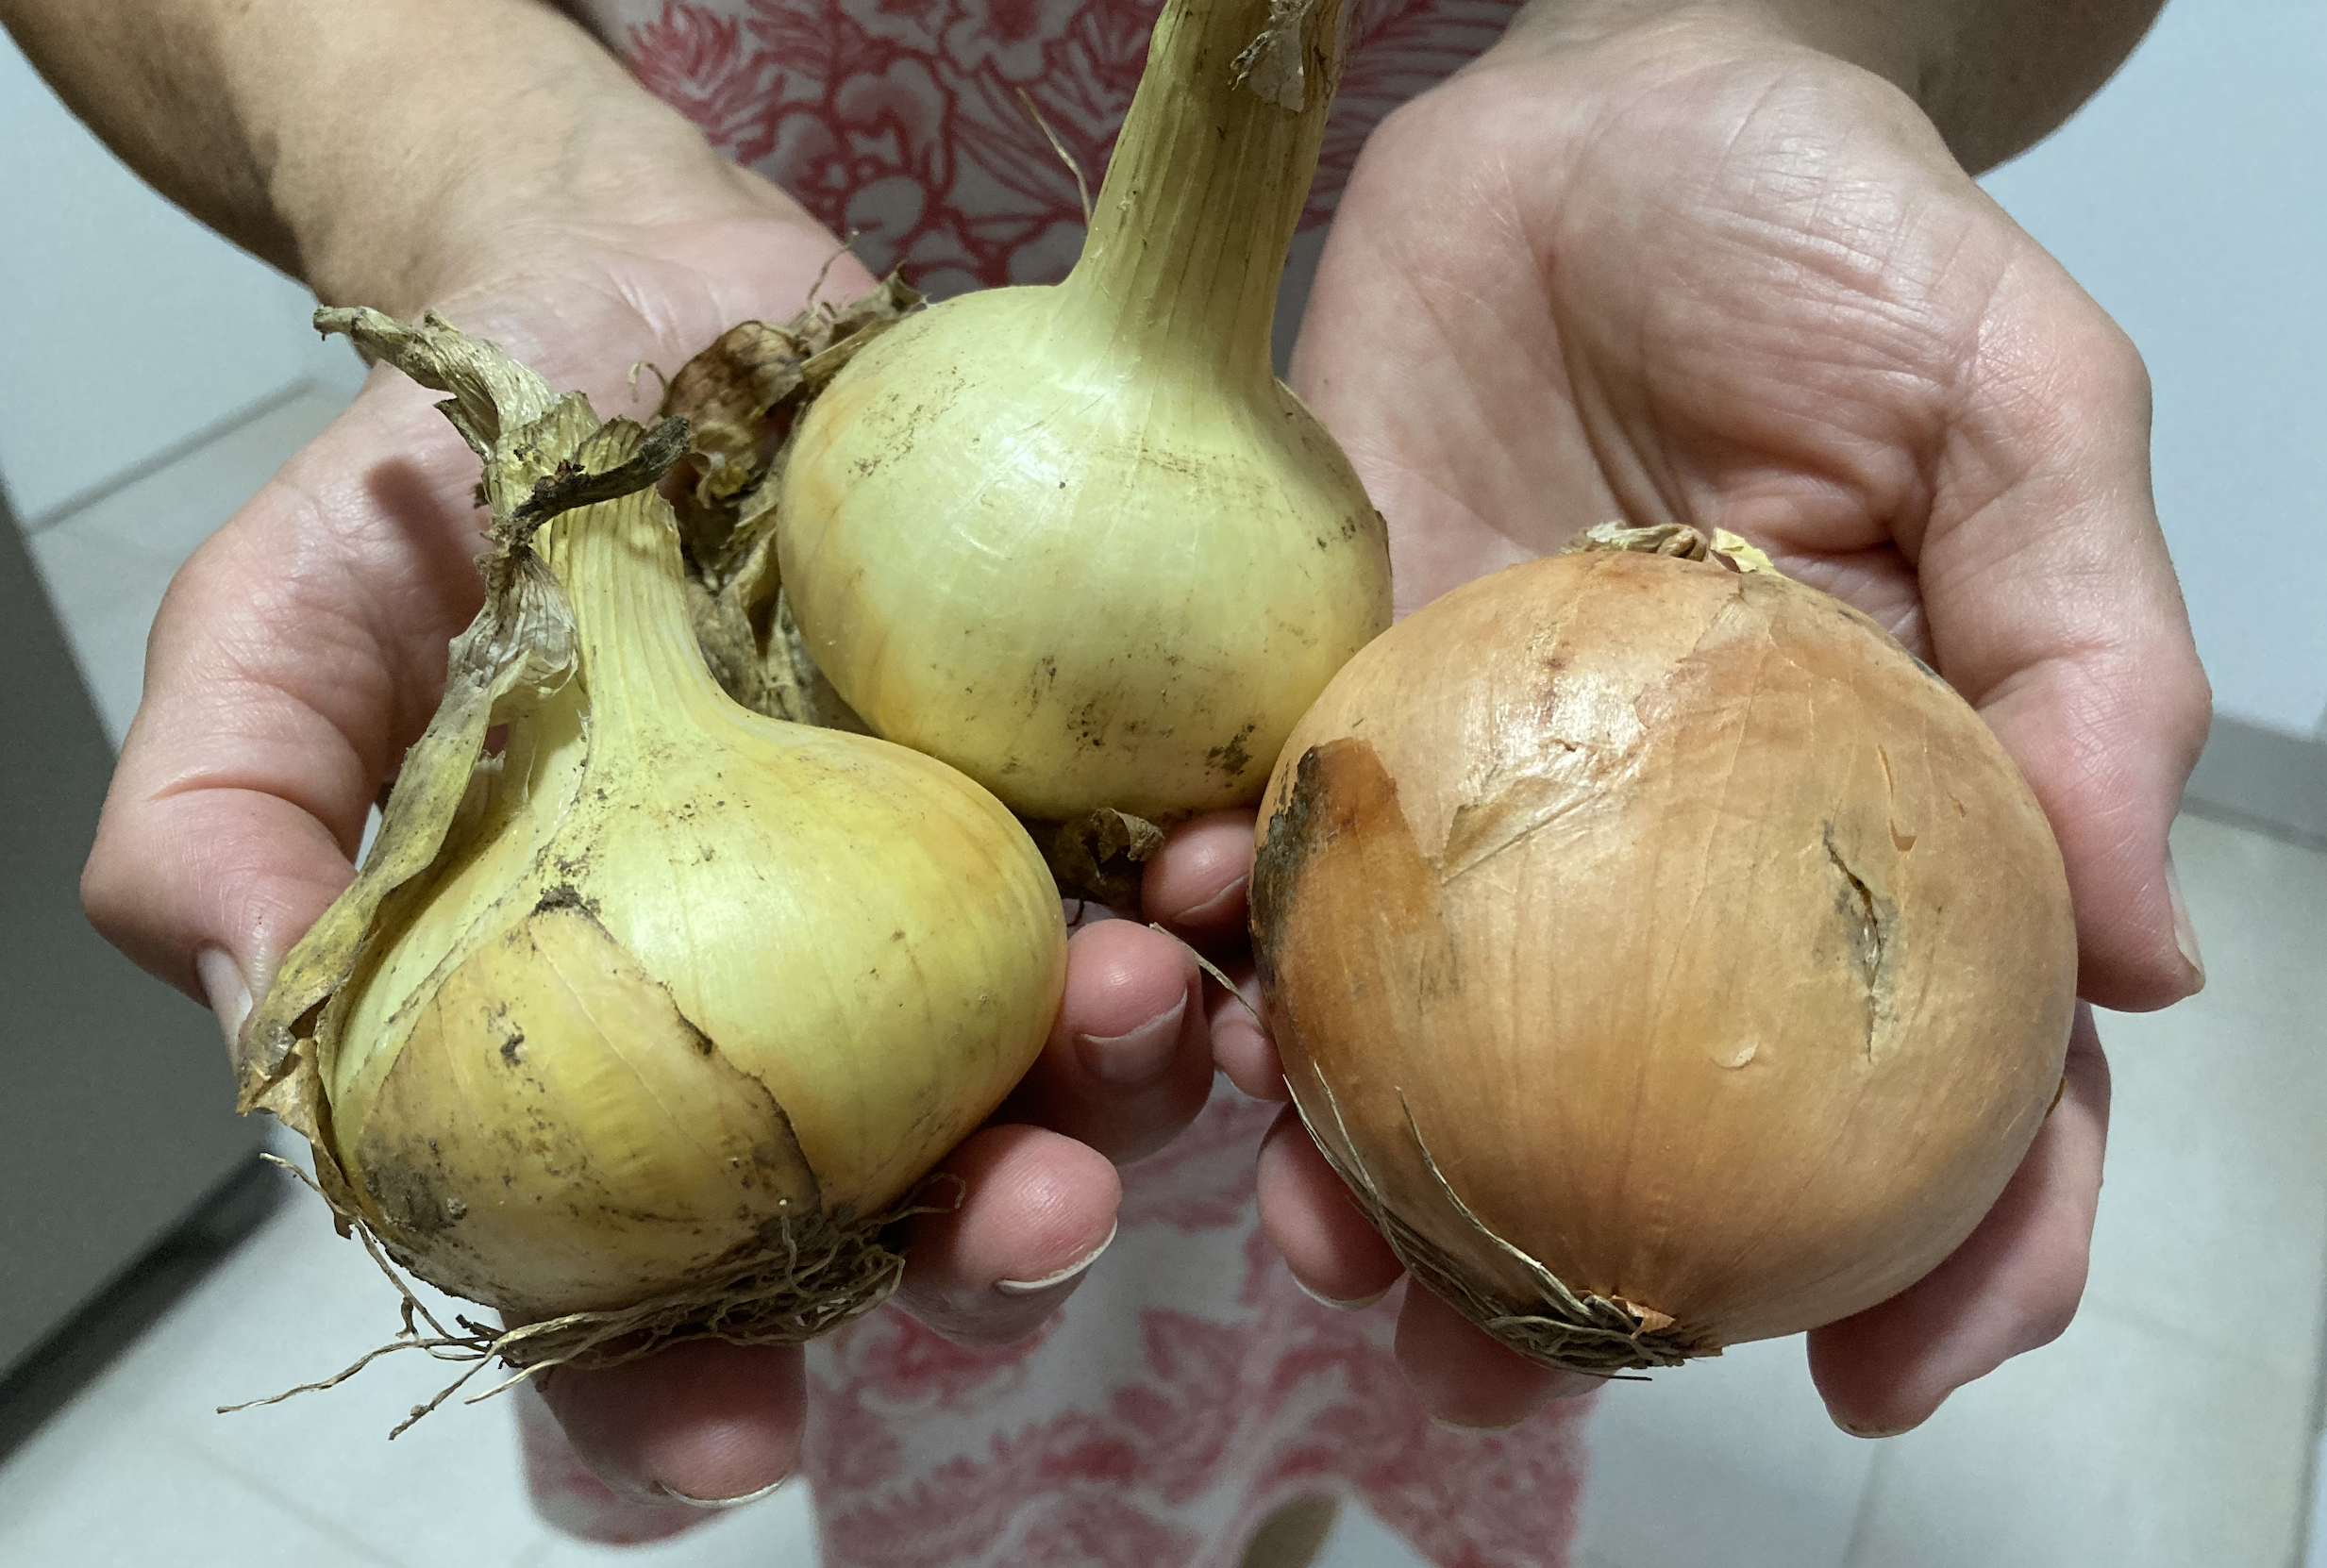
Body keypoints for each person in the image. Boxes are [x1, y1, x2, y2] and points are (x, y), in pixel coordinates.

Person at [5, 0, 2208, 1561]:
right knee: (919, 1284)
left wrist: (1754, 37)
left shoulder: (1368, 570)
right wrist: (480, 163)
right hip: (765, 422)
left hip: (1383, 752)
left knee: (1363, 1271)